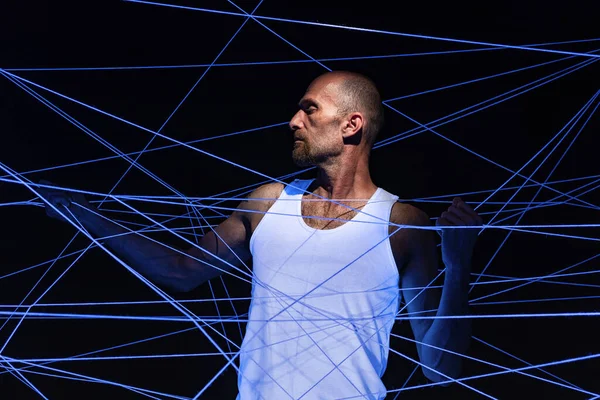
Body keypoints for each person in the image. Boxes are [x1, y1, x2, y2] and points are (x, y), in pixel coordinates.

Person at [40, 71, 483, 399]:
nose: (294, 120)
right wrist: (79, 213)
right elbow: (180, 272)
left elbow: (439, 368)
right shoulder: (267, 202)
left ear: (351, 125)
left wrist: (459, 268)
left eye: (310, 109)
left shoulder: (402, 224)